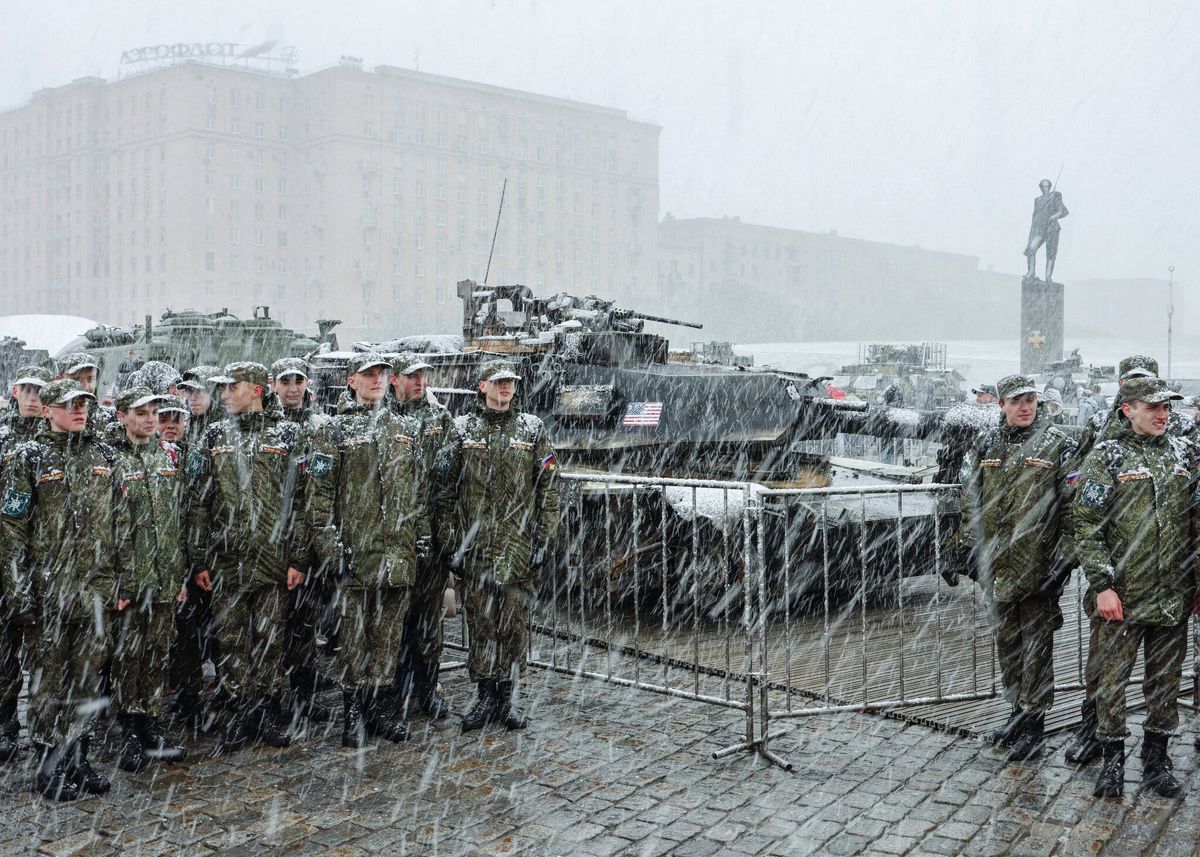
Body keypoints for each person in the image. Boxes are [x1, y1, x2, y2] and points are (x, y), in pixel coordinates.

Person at [1064, 355, 1198, 764]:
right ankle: (1107, 753)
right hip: (1124, 593)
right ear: (1128, 404)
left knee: (1165, 682)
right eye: (1153, 406)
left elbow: (1195, 522)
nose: (1164, 414)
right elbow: (1086, 522)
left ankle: (1157, 758)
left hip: (1172, 594)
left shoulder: (1185, 450)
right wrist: (1102, 585)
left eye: (1166, 406)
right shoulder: (1107, 451)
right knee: (1108, 678)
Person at [0, 380, 117, 800]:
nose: (80, 409)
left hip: (93, 594)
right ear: (48, 410)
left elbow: (118, 526)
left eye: (83, 402)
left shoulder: (102, 455)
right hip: (49, 595)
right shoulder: (28, 458)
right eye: (69, 404)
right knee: (49, 686)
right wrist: (20, 595)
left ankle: (79, 759)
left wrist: (114, 584)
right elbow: (12, 532)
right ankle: (49, 769)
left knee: (86, 682)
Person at [185, 362, 307, 752]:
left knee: (270, 639)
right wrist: (200, 559)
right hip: (226, 561)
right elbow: (199, 502)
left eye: (230, 387)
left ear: (255, 389)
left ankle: (267, 709)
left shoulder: (287, 434)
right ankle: (240, 711)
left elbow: (302, 501)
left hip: (273, 559)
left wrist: (299, 558)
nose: (223, 395)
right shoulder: (214, 436)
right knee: (231, 640)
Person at [435, 360, 559, 733]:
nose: (507, 387)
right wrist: (450, 543)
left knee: (514, 627)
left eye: (511, 382)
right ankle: (485, 696)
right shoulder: (462, 430)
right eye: (499, 382)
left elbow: (549, 490)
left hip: (518, 549)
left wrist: (544, 540)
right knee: (482, 625)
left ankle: (508, 698)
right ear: (482, 386)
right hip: (478, 551)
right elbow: (443, 489)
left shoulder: (532, 429)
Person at [307, 353, 424, 747]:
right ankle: (353, 712)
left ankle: (379, 709)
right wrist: (330, 549)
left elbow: (418, 491)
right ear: (351, 381)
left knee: (388, 639)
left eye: (381, 374)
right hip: (356, 555)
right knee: (355, 639)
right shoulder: (332, 432)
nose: (376, 380)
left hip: (397, 555)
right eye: (368, 374)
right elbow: (318, 497)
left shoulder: (405, 428)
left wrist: (418, 540)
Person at [957, 376, 1076, 762]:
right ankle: (1016, 714)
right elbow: (969, 499)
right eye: (1017, 401)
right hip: (999, 567)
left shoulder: (1058, 444)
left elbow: (1073, 510)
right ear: (1002, 405)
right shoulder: (985, 445)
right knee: (1008, 645)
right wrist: (969, 548)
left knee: (1036, 649)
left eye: (1031, 401)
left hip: (1038, 566)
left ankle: (1035, 726)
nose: (1026, 407)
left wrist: (1063, 559)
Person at [108, 386, 188, 773]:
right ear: (122, 415)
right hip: (130, 579)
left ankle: (150, 726)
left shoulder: (169, 457)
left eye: (153, 411)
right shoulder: (111, 460)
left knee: (157, 654)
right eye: (140, 412)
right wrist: (118, 582)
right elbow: (106, 528)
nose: (149, 418)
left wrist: (179, 574)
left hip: (164, 576)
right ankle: (127, 731)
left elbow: (178, 520)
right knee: (128, 657)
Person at [270, 357, 336, 725]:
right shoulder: (269, 429)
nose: (293, 387)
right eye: (286, 381)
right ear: (274, 385)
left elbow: (323, 491)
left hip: (308, 544)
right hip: (273, 544)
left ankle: (302, 693)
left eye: (299, 380)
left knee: (305, 625)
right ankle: (269, 698)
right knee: (271, 627)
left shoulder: (320, 427)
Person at [391, 354, 454, 719]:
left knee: (429, 620)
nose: (419, 382)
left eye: (423, 376)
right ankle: (397, 687)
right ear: (396, 379)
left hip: (431, 536)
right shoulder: (384, 419)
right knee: (396, 617)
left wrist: (444, 533)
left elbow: (448, 481)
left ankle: (428, 688)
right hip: (395, 537)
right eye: (412, 376)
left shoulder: (439, 419)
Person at [0, 365, 51, 762]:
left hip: (42, 563)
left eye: (40, 391)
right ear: (15, 391)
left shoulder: (54, 442)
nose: (33, 398)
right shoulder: (2, 437)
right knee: (3, 654)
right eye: (28, 390)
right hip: (4, 558)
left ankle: (45, 730)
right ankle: (4, 724)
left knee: (44, 656)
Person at [57, 352, 116, 436]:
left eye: (90, 379)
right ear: (59, 380)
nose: (86, 387)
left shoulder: (109, 418)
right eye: (77, 380)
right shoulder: (49, 417)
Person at [1024, 179, 1069, 281]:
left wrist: (1052, 217)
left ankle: (1048, 276)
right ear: (1040, 188)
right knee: (1031, 248)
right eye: (1043, 187)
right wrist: (1033, 231)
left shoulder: (1055, 196)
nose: (1045, 189)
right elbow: (1035, 217)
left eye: (1047, 186)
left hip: (1052, 228)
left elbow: (1064, 211)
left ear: (1050, 187)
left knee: (1051, 253)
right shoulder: (1037, 200)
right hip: (1039, 228)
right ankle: (1031, 272)